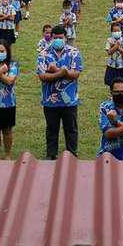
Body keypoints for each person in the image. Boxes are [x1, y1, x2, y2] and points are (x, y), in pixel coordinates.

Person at [37, 26, 83, 159]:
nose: (57, 40)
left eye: (60, 38)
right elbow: (42, 76)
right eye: (55, 38)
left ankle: (72, 155)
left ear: (65, 38)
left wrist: (55, 70)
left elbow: (75, 74)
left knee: (71, 130)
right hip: (50, 101)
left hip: (69, 100)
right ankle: (51, 156)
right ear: (51, 38)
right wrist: (62, 72)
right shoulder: (43, 54)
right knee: (51, 130)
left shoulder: (74, 53)